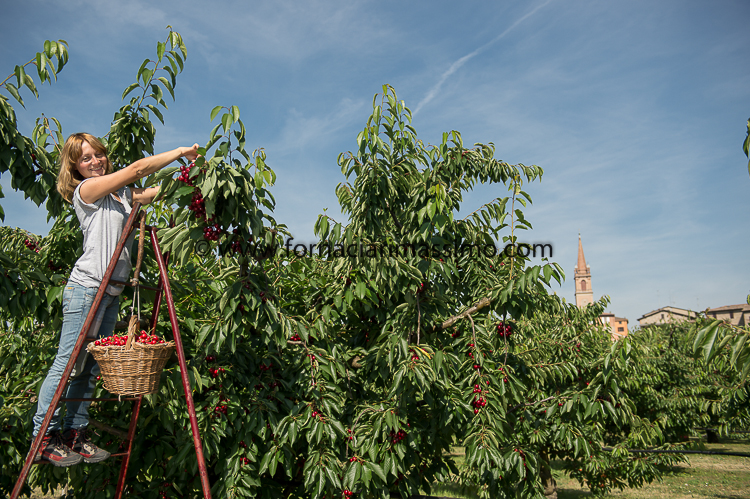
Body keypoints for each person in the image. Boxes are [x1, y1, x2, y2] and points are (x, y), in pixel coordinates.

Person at [30, 133, 199, 466]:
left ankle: (75, 432)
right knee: (67, 363)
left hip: (112, 292)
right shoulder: (86, 191)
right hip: (87, 288)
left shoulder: (121, 195)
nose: (95, 161)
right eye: (86, 158)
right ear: (75, 167)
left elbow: (157, 191)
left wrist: (194, 176)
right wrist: (181, 151)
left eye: (98, 155)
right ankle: (43, 437)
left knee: (91, 367)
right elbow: (137, 170)